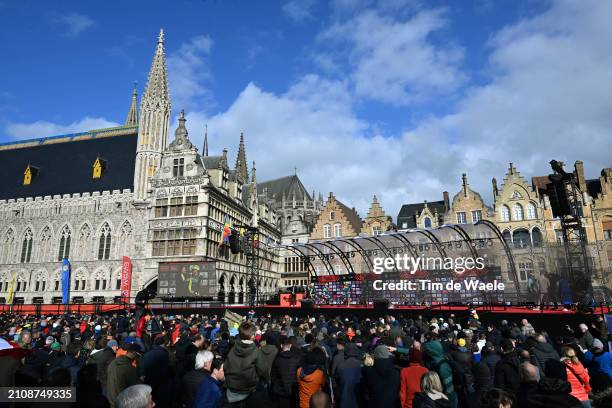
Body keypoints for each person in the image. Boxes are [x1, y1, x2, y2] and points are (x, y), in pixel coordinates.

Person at [224, 322, 268, 406]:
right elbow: (263, 370)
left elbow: (226, 367)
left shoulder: (232, 349)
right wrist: (266, 379)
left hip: (231, 388)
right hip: (248, 389)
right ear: (252, 336)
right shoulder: (256, 352)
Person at [423, 340, 458, 408]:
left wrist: (445, 401)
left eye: (428, 350)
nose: (426, 351)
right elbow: (415, 352)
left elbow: (449, 388)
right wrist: (397, 349)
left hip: (447, 399)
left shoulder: (443, 366)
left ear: (433, 351)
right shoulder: (434, 358)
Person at [271, 337, 301, 408]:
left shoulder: (277, 360)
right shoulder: (296, 359)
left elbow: (273, 376)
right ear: (290, 345)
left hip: (280, 391)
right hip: (293, 390)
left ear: (281, 346)